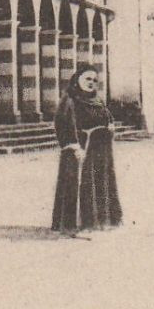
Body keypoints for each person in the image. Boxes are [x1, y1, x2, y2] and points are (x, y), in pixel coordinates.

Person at [51, 65, 121, 233]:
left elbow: (107, 116)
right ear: (78, 80)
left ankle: (97, 220)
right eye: (87, 79)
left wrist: (109, 125)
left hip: (99, 151)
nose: (91, 83)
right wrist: (74, 146)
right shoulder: (69, 100)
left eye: (95, 80)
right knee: (78, 184)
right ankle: (73, 223)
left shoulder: (97, 100)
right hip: (80, 150)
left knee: (98, 182)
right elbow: (63, 122)